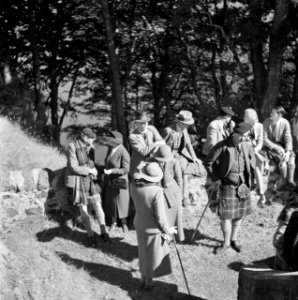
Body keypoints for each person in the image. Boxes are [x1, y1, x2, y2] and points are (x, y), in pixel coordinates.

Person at [204, 122, 256, 254]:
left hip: (243, 185)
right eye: (243, 136)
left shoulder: (246, 145)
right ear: (235, 134)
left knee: (240, 214)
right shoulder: (222, 146)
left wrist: (252, 179)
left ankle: (234, 240)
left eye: (246, 136)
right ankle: (226, 243)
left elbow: (252, 161)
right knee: (225, 216)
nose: (244, 139)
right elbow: (208, 162)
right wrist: (216, 178)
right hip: (226, 185)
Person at [130, 162, 177, 290]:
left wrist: (141, 167)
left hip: (139, 224)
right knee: (153, 256)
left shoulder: (133, 186)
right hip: (153, 229)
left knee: (143, 253)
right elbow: (161, 217)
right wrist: (168, 230)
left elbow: (135, 173)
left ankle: (143, 279)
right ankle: (148, 282)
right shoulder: (157, 191)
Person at [65, 127, 110, 247]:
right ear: (84, 136)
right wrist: (90, 171)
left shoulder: (91, 147)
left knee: (97, 204)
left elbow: (92, 163)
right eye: (91, 138)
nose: (92, 141)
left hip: (90, 179)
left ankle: (104, 232)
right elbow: (73, 167)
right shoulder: (72, 146)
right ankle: (90, 235)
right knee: (83, 208)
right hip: (78, 180)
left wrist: (92, 170)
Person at [162, 110, 201, 207]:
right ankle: (176, 197)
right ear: (179, 122)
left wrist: (194, 157)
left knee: (185, 170)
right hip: (168, 156)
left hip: (179, 154)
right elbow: (161, 145)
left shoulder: (184, 130)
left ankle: (185, 196)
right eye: (185, 124)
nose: (187, 126)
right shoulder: (168, 130)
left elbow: (188, 144)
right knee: (174, 174)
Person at [151, 144, 185, 242]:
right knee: (162, 217)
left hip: (172, 193)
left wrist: (180, 197)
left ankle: (171, 238)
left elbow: (179, 180)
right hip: (159, 194)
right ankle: (163, 239)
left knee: (172, 218)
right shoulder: (152, 162)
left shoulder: (174, 162)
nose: (162, 162)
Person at [102, 130, 130, 233]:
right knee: (111, 202)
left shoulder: (123, 152)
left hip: (120, 182)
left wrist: (111, 171)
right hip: (110, 180)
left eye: (110, 139)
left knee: (122, 202)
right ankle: (113, 222)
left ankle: (124, 223)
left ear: (116, 141)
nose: (108, 141)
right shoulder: (110, 149)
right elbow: (107, 163)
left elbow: (125, 170)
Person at [263, 106, 296, 190]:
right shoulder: (266, 122)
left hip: (283, 146)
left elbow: (288, 139)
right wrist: (276, 147)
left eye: (273, 113)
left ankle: (290, 180)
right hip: (270, 146)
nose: (270, 114)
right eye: (271, 112)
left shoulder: (285, 123)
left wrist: (288, 151)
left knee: (291, 156)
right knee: (281, 160)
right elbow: (264, 139)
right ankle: (282, 180)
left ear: (279, 115)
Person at [243, 108, 267, 208]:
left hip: (256, 150)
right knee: (256, 167)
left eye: (254, 118)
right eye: (251, 119)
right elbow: (240, 141)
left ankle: (260, 192)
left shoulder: (260, 126)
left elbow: (261, 141)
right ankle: (261, 194)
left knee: (257, 166)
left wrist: (256, 149)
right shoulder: (242, 126)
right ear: (245, 118)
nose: (254, 120)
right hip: (244, 150)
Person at [129, 111, 164, 177]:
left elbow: (161, 142)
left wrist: (155, 150)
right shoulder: (132, 136)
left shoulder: (152, 129)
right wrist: (156, 143)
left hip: (152, 165)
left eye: (145, 123)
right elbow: (143, 152)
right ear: (136, 124)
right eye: (141, 123)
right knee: (139, 185)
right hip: (138, 166)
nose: (143, 125)